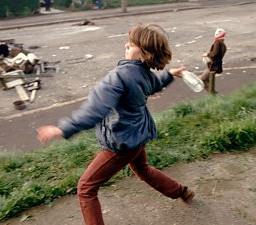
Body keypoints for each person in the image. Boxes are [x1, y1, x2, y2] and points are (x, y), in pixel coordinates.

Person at [37, 24, 195, 225]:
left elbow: (95, 110)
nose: (127, 45)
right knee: (143, 170)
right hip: (138, 136)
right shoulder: (145, 72)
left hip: (122, 142)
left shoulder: (118, 77)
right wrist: (170, 74)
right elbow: (155, 85)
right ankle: (182, 191)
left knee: (85, 188)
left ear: (145, 53)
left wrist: (62, 128)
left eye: (132, 44)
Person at [200, 28, 227, 95]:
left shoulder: (217, 42)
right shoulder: (223, 44)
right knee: (207, 79)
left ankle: (213, 94)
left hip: (213, 66)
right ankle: (213, 93)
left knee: (202, 79)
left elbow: (215, 53)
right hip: (217, 66)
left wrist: (207, 54)